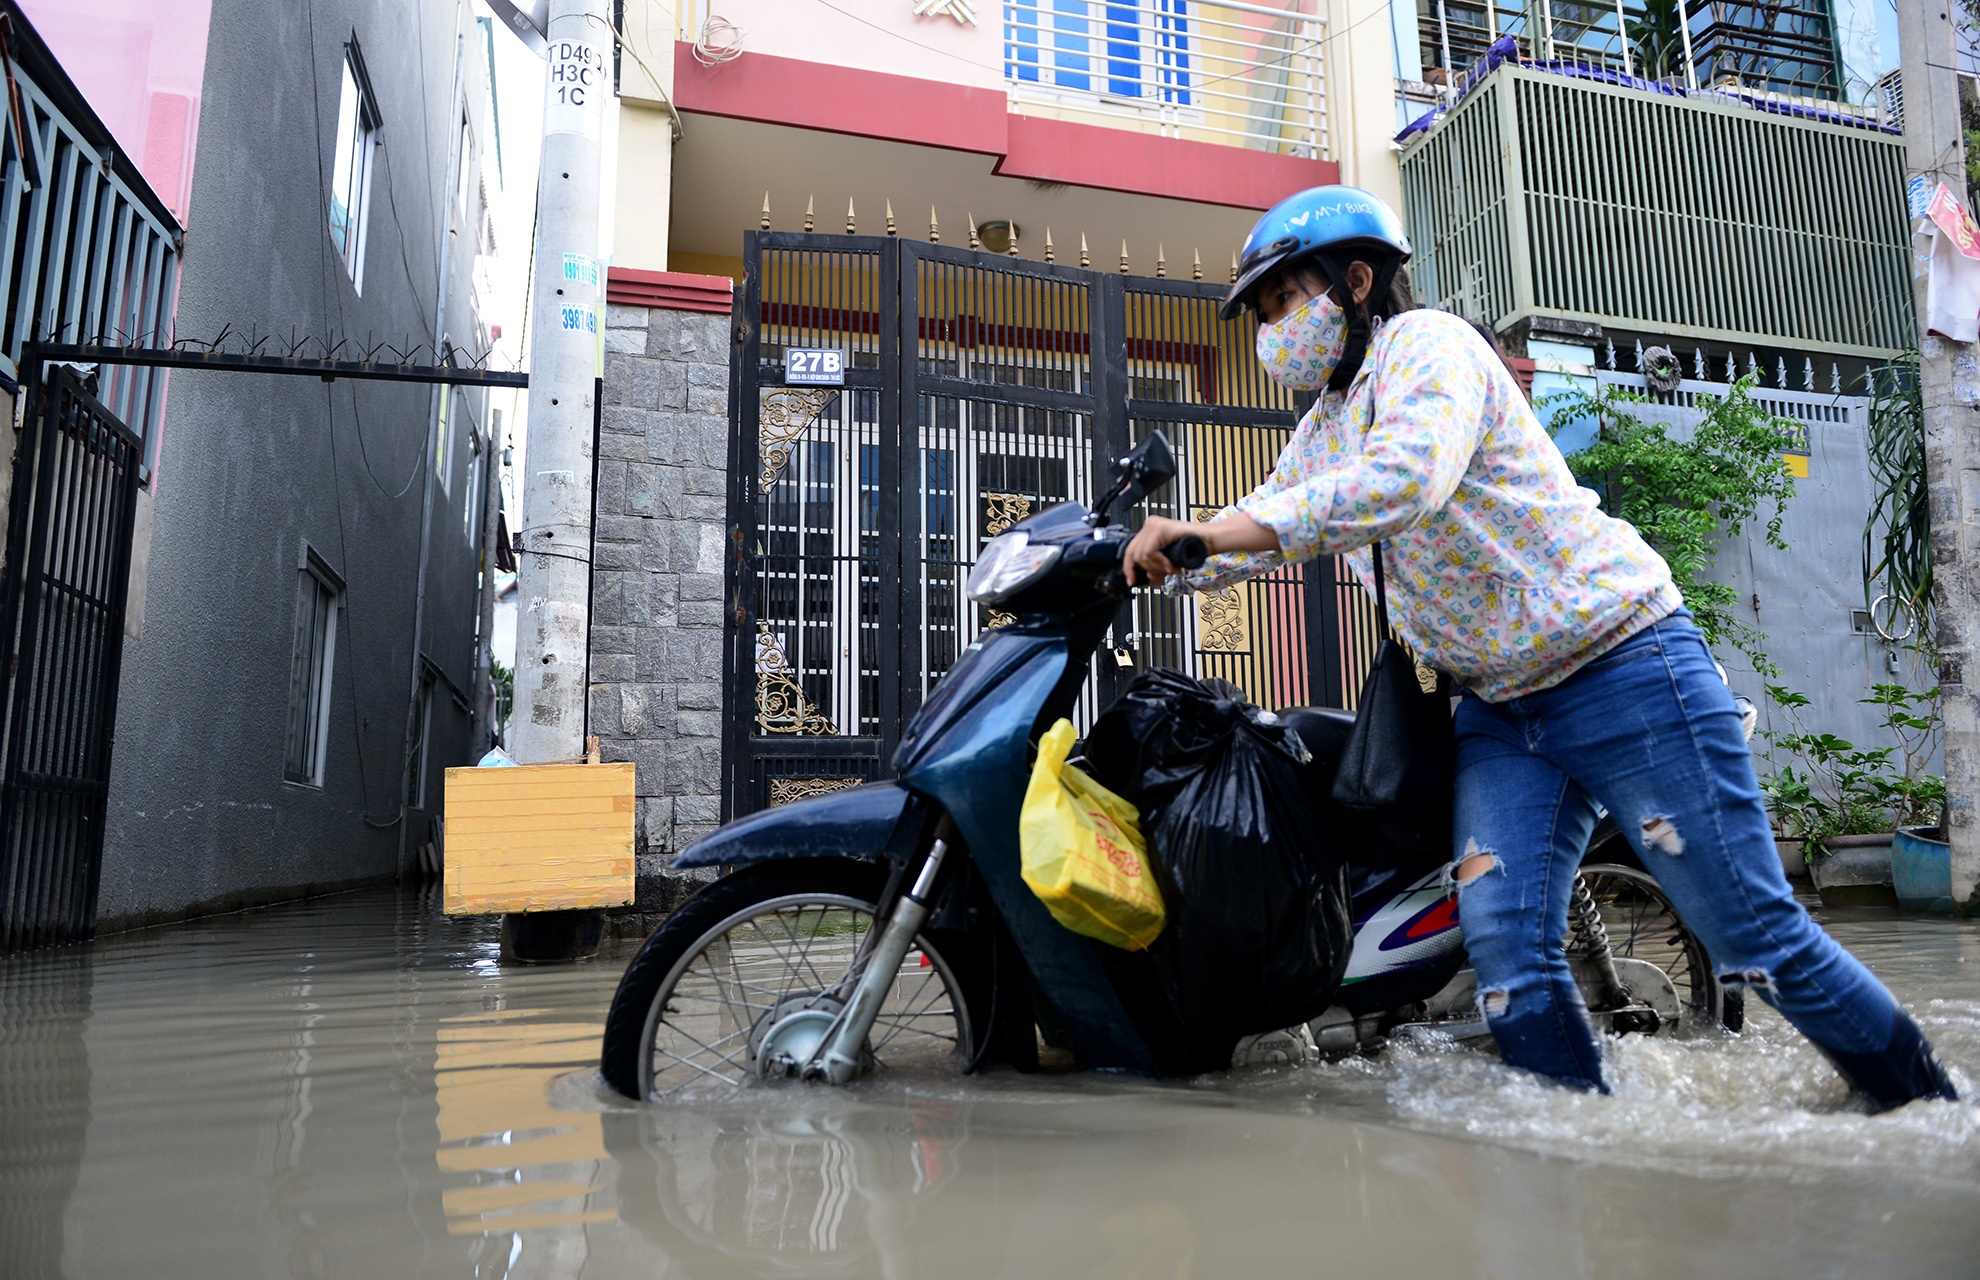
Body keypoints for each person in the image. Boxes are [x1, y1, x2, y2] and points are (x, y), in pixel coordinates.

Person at [1123, 185, 1956, 1109]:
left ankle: (1929, 1115)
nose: (1275, 328)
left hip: (1624, 665)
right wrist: (1148, 558)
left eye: (1287, 300)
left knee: (1755, 936)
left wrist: (1212, 534)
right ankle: (1582, 1145)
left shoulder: (1429, 348)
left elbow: (1404, 482)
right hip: (1499, 709)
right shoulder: (1323, 426)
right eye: (1266, 313)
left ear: (1357, 282)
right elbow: (1253, 525)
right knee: (1509, 955)